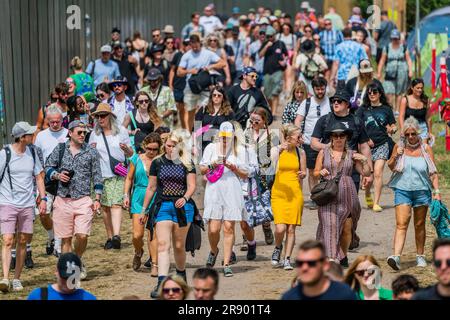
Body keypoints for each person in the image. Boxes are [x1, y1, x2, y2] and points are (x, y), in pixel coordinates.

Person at [311, 90, 373, 250]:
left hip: (350, 172)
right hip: (330, 175)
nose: (335, 103)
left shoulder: (357, 121)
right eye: (333, 101)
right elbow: (313, 142)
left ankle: (349, 234)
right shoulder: (325, 120)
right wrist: (332, 149)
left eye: (339, 101)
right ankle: (335, 246)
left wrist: (369, 170)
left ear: (347, 104)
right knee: (329, 214)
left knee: (351, 211)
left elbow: (365, 146)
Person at [140, 131, 197, 299]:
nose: (170, 148)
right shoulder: (157, 162)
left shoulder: (187, 162)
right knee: (163, 245)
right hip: (163, 205)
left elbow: (192, 185)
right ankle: (161, 283)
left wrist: (185, 198)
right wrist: (144, 210)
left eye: (173, 145)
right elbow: (151, 187)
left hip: (182, 208)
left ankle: (181, 277)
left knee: (179, 246)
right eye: (168, 145)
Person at [45, 121, 102, 281]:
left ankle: (77, 260)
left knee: (82, 236)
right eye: (79, 132)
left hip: (83, 199)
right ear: (70, 133)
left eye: (84, 132)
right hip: (62, 200)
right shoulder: (61, 148)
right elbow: (48, 166)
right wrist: (57, 175)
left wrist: (97, 198)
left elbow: (97, 175)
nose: (83, 135)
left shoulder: (91, 152)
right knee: (66, 238)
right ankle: (69, 273)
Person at [387, 116, 440, 270]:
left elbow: (433, 173)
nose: (411, 137)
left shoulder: (426, 149)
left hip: (422, 191)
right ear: (404, 135)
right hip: (402, 190)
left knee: (419, 224)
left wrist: (436, 192)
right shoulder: (399, 146)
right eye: (408, 134)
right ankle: (396, 257)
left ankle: (420, 256)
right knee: (401, 224)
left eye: (413, 134)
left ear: (418, 133)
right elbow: (390, 166)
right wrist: (397, 154)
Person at [314, 122, 371, 266]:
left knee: (347, 229)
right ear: (331, 137)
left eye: (342, 135)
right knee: (330, 226)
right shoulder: (324, 152)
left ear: (346, 137)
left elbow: (365, 172)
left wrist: (364, 161)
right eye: (335, 135)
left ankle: (343, 255)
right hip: (328, 193)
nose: (339, 138)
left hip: (347, 194)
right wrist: (320, 172)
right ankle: (332, 258)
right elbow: (315, 172)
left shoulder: (352, 154)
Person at [0, 123, 46, 293]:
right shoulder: (5, 154)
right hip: (7, 203)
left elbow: (39, 177)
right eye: (29, 133)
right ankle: (5, 278)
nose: (33, 135)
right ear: (21, 137)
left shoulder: (32, 152)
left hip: (27, 205)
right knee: (7, 240)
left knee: (23, 241)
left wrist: (43, 199)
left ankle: (17, 278)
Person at [200, 122, 249, 277]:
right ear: (218, 135)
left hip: (231, 188)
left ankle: (227, 263)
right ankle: (214, 250)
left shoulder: (239, 150)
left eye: (228, 136)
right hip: (214, 188)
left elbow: (245, 174)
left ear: (233, 135)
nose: (225, 139)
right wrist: (213, 163)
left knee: (228, 227)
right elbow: (202, 169)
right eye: (223, 136)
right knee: (214, 228)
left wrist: (234, 168)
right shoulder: (210, 148)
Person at [88, 104, 133, 251]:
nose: (100, 119)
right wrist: (92, 150)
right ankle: (109, 237)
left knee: (116, 204)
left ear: (110, 117)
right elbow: (89, 154)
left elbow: (131, 153)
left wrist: (126, 149)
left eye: (103, 115)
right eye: (97, 116)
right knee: (106, 206)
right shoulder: (94, 134)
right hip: (100, 174)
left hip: (118, 172)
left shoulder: (121, 132)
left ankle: (117, 236)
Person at [123, 133, 162, 276]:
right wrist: (126, 195)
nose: (151, 152)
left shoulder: (161, 161)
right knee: (137, 235)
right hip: (139, 198)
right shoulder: (136, 159)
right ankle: (138, 251)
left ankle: (155, 264)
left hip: (156, 198)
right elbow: (129, 178)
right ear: (144, 146)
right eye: (149, 149)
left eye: (155, 149)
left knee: (153, 234)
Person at [270, 124, 306, 270]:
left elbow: (303, 171)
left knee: (291, 228)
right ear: (289, 137)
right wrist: (279, 149)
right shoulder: (277, 150)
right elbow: (269, 167)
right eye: (298, 136)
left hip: (295, 193)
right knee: (280, 228)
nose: (301, 139)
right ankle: (278, 247)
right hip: (279, 192)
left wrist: (303, 174)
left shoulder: (300, 152)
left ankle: (287, 259)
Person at [356, 82, 396, 212]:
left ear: (380, 94)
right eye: (369, 92)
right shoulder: (363, 109)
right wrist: (366, 139)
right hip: (366, 146)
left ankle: (377, 202)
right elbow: (357, 125)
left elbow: (393, 125)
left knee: (378, 172)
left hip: (382, 143)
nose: (372, 94)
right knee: (369, 175)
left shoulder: (386, 109)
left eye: (374, 92)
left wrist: (392, 129)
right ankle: (368, 194)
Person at [34, 106, 69, 257]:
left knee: (61, 214)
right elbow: (36, 160)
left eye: (58, 121)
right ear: (47, 121)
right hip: (45, 180)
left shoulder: (68, 134)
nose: (55, 124)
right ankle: (51, 236)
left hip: (64, 181)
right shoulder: (41, 136)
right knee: (43, 213)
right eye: (51, 122)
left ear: (62, 120)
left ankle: (58, 246)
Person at [294, 77, 331, 210]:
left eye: (322, 88)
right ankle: (315, 197)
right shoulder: (307, 103)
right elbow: (298, 120)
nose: (320, 91)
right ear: (313, 89)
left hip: (327, 143)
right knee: (311, 171)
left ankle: (327, 196)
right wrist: (299, 134)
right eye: (317, 89)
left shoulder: (331, 102)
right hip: (309, 142)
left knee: (328, 170)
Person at [177, 34, 226, 131]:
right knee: (190, 111)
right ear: (190, 44)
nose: (195, 48)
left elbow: (223, 63)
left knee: (202, 110)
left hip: (205, 87)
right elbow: (179, 72)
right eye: (192, 46)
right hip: (190, 87)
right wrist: (190, 71)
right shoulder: (186, 55)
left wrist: (210, 67)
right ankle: (190, 134)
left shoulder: (208, 53)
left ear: (200, 43)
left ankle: (200, 133)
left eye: (196, 45)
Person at [243, 108, 277, 247]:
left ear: (264, 121)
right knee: (247, 203)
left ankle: (267, 227)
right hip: (248, 173)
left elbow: (275, 157)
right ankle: (246, 235)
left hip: (265, 174)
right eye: (252, 120)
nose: (254, 123)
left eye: (257, 120)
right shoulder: (245, 134)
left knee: (264, 202)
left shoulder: (272, 135)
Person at [281, 240, 356, 300]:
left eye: (311, 263)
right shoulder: (289, 297)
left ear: (325, 265)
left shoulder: (344, 295)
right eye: (300, 263)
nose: (304, 268)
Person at [27, 253, 96, 300]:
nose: (68, 283)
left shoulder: (87, 298)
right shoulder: (39, 296)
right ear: (56, 272)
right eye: (65, 277)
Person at [377, 29, 413, 111]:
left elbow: (408, 60)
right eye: (393, 38)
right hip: (390, 72)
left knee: (399, 92)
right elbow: (382, 60)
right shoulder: (387, 47)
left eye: (396, 38)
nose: (395, 40)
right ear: (391, 38)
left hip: (402, 72)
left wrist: (410, 71)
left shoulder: (403, 47)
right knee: (388, 91)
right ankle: (390, 109)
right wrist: (379, 72)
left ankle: (397, 110)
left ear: (399, 38)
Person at [194, 86, 234, 154]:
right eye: (214, 95)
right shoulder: (203, 109)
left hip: (220, 146)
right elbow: (196, 130)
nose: (216, 97)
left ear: (223, 98)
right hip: (203, 144)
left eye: (219, 95)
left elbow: (232, 131)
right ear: (211, 96)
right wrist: (194, 146)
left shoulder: (229, 112)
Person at [259, 26, 288, 115]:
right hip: (267, 72)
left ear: (274, 35)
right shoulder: (265, 43)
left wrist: (284, 61)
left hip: (277, 71)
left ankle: (274, 113)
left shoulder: (280, 43)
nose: (269, 38)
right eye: (268, 36)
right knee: (267, 94)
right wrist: (266, 46)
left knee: (275, 92)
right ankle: (271, 110)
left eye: (271, 36)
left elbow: (286, 54)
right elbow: (260, 55)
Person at [399, 78, 434, 145]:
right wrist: (402, 129)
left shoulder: (426, 100)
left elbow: (428, 118)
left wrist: (430, 132)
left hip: (422, 128)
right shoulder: (405, 100)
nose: (420, 90)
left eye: (421, 88)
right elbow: (401, 116)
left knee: (424, 149)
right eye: (417, 88)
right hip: (409, 128)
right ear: (412, 87)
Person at [169, 38, 190, 130]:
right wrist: (170, 84)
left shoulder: (193, 56)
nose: (188, 46)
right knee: (178, 109)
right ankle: (180, 128)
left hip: (189, 87)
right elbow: (172, 70)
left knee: (186, 109)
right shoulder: (178, 55)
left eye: (189, 44)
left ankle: (186, 129)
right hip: (178, 86)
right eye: (186, 44)